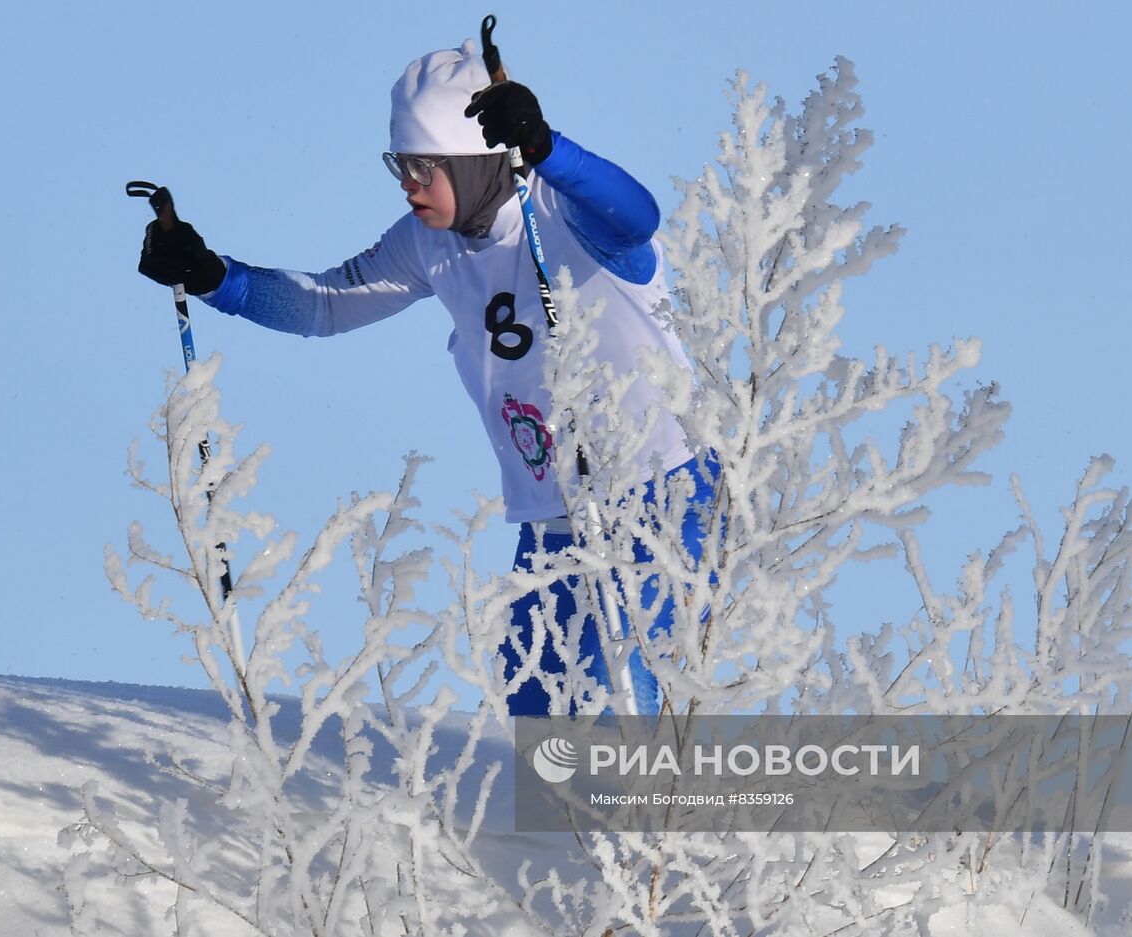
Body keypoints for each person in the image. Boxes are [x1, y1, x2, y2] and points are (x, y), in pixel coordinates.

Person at [137, 38, 715, 716]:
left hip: (660, 494)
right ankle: (555, 827)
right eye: (399, 165)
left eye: (422, 165)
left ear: (474, 162)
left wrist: (548, 146)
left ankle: (652, 821)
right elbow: (326, 304)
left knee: (609, 694)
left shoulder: (568, 215)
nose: (407, 182)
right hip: (552, 514)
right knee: (532, 697)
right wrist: (214, 278)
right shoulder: (426, 243)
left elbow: (639, 218)